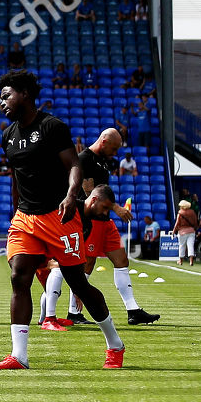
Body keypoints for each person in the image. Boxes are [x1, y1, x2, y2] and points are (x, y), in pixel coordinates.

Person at [0, 69, 125, 371]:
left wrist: (70, 194)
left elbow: (74, 165)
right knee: (18, 276)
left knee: (79, 283)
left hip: (60, 216)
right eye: (0, 98)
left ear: (24, 93)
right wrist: (15, 211)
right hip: (26, 218)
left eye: (6, 95)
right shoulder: (8, 135)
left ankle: (115, 344)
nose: (2, 102)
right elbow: (16, 177)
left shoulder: (52, 127)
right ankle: (19, 356)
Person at [41, 127, 159, 327]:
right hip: (92, 218)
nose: (115, 153)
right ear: (103, 141)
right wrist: (116, 207)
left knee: (121, 260)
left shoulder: (103, 161)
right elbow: (89, 193)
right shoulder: (84, 159)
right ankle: (73, 312)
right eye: (113, 148)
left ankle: (133, 311)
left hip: (105, 220)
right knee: (85, 264)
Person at [172, 198, 199, 266]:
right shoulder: (192, 212)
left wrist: (173, 231)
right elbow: (196, 222)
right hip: (191, 231)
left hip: (182, 232)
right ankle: (191, 261)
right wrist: (195, 229)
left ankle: (180, 261)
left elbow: (177, 223)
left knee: (182, 246)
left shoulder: (180, 213)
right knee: (190, 246)